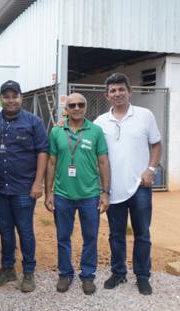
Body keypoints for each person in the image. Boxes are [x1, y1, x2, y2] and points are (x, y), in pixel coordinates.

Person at [95, 73, 162, 295]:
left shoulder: (145, 115)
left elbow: (156, 144)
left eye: (121, 89)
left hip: (140, 186)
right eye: (113, 91)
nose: (117, 94)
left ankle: (142, 276)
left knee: (142, 234)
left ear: (129, 91)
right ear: (107, 96)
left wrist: (150, 170)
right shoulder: (100, 122)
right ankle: (118, 273)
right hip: (113, 189)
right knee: (116, 235)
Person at [0, 80, 49, 293]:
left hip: (24, 188)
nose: (10, 100)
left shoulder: (33, 122)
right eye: (6, 96)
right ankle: (8, 269)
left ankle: (29, 272)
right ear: (1, 98)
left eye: (15, 96)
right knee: (5, 231)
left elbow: (42, 152)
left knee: (25, 231)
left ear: (21, 97)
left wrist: (38, 183)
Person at [46, 92, 110, 294]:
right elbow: (51, 163)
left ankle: (88, 275)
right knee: (63, 237)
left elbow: (103, 162)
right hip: (62, 195)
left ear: (85, 107)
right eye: (72, 105)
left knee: (90, 238)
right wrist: (48, 193)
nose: (76, 108)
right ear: (66, 108)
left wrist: (105, 192)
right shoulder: (56, 131)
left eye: (80, 105)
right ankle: (65, 274)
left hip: (90, 195)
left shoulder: (96, 131)